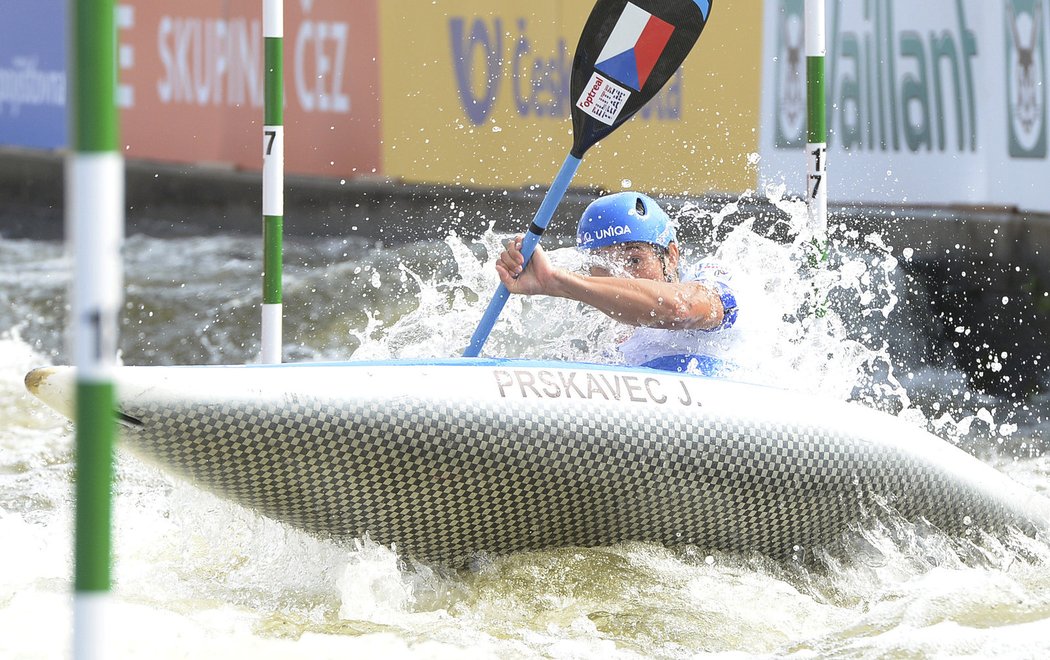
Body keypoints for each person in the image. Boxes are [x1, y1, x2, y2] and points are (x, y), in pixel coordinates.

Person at [495, 191, 739, 376]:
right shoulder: (608, 351)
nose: (622, 277)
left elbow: (681, 309)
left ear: (671, 256)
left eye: (634, 259)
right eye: (603, 265)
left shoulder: (714, 280)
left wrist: (556, 281)